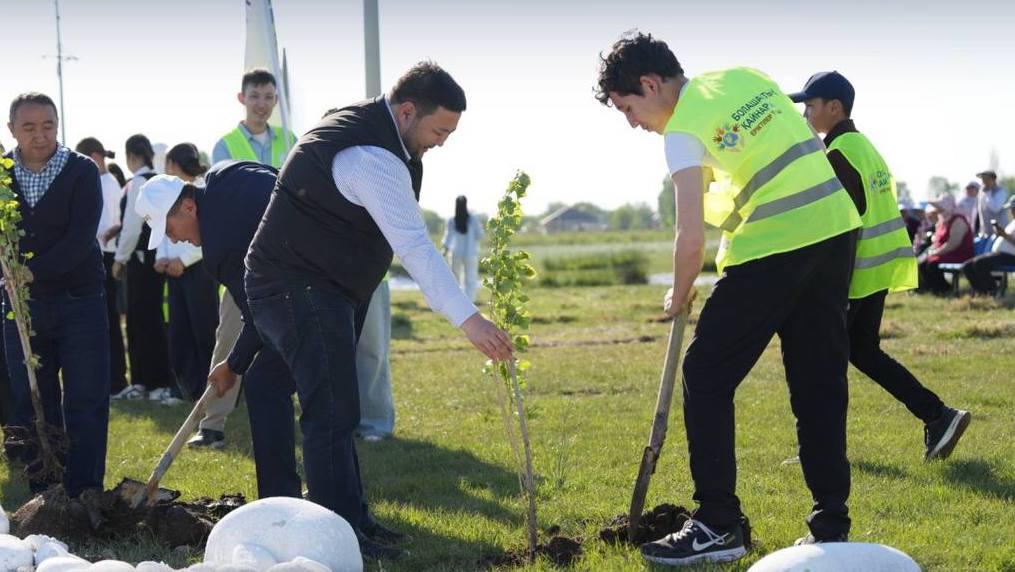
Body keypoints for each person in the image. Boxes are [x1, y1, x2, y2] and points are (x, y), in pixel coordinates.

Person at [595, 33, 863, 565]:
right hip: (834, 231)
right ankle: (831, 524)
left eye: (628, 109)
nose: (632, 123)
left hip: (775, 245)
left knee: (706, 374)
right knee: (819, 382)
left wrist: (678, 291)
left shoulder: (683, 129)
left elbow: (689, 234)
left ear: (650, 85)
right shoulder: (744, 78)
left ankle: (718, 524)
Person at [240, 62, 513, 559]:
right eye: (439, 131)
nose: (441, 143)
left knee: (279, 387)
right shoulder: (372, 157)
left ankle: (327, 516)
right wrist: (470, 320)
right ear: (407, 111)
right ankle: (338, 535)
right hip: (297, 286)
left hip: (312, 285)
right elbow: (416, 248)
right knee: (333, 409)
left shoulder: (373, 132)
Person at [793, 71, 971, 462]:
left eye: (810, 105)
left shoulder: (838, 154)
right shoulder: (864, 146)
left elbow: (841, 227)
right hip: (876, 271)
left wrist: (823, 284)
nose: (805, 113)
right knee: (863, 352)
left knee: (822, 361)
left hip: (853, 276)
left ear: (834, 107)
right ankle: (938, 415)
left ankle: (822, 451)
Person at [3, 92, 110, 495]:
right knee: (33, 396)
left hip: (79, 299)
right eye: (29, 127)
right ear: (12, 130)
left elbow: (81, 238)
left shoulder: (81, 171)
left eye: (48, 125)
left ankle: (84, 490)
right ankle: (45, 489)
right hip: (21, 306)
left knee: (86, 396)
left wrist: (32, 271)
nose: (40, 135)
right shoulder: (2, 176)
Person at [111, 134, 175, 401]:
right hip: (157, 257)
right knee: (151, 319)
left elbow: (132, 227)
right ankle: (150, 380)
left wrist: (119, 259)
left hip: (139, 259)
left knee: (140, 321)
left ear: (131, 157)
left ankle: (148, 381)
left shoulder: (137, 183)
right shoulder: (158, 180)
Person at [157, 143, 218, 401]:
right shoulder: (168, 193)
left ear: (172, 164)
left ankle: (212, 387)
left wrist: (182, 260)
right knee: (179, 330)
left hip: (199, 270)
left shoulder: (202, 190)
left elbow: (207, 235)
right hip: (174, 271)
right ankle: (186, 387)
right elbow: (162, 228)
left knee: (204, 329)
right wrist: (161, 258)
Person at [75, 137, 128, 396]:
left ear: (95, 157)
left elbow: (104, 225)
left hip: (104, 255)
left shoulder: (104, 182)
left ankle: (116, 380)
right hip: (103, 254)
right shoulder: (109, 182)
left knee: (107, 321)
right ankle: (113, 378)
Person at [212, 68, 296, 168]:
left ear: (276, 100)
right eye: (254, 96)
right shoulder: (224, 147)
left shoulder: (290, 140)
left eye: (268, 97)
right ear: (241, 98)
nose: (261, 105)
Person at [916, 194, 973, 294]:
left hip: (958, 254)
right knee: (923, 264)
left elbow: (953, 244)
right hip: (945, 253)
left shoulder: (958, 220)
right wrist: (933, 251)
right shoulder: (942, 220)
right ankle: (929, 289)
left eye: (940, 207)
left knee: (932, 264)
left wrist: (936, 252)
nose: (938, 210)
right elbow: (937, 240)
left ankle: (943, 290)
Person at [962, 197, 1015, 295]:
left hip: (1010, 257)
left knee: (979, 263)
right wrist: (1001, 233)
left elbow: (1009, 238)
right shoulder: (1013, 222)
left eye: (1013, 209)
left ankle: (992, 291)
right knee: (967, 266)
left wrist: (1005, 235)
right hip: (1001, 254)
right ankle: (981, 293)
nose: (1011, 211)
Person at [442, 195, 484, 301]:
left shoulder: (452, 220)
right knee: (470, 280)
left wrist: (444, 251)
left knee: (455, 280)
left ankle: (457, 302)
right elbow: (480, 235)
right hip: (471, 254)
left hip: (455, 253)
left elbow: (447, 237)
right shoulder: (473, 219)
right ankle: (470, 302)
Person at [975, 170, 1010, 238]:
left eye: (987, 179)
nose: (984, 181)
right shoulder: (982, 192)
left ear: (993, 179)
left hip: (1001, 233)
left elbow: (995, 208)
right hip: (987, 233)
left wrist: (988, 193)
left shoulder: (1000, 191)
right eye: (983, 179)